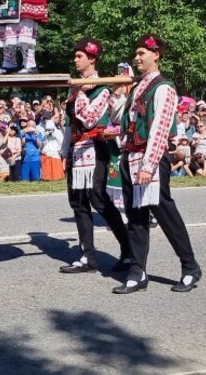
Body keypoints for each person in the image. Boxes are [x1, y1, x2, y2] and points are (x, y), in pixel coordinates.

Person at [111, 34, 201, 295]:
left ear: (156, 55)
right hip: (130, 157)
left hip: (150, 159)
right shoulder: (138, 86)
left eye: (142, 53)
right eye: (136, 53)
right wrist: (117, 93)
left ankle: (190, 267)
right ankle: (137, 272)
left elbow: (160, 129)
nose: (137, 58)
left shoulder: (163, 87)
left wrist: (148, 166)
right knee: (135, 218)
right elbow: (121, 117)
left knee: (165, 215)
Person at [59, 37, 133, 274]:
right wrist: (64, 151)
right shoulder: (75, 87)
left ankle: (129, 249)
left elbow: (89, 118)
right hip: (77, 149)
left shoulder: (102, 89)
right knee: (78, 204)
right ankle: (87, 256)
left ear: (92, 58)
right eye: (76, 56)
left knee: (99, 200)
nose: (75, 60)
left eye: (80, 56)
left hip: (94, 148)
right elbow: (70, 122)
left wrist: (78, 92)